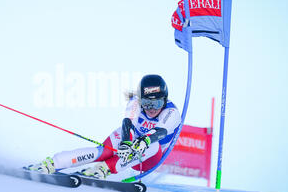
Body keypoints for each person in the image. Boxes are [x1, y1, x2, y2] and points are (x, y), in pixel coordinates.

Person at [27, 74, 182, 179]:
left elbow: (160, 131)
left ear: (165, 100)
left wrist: (144, 142)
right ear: (140, 99)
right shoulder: (135, 102)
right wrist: (126, 143)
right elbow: (128, 123)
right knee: (103, 151)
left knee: (152, 145)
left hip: (148, 158)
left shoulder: (171, 112)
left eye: (157, 103)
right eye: (147, 103)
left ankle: (103, 168)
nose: (152, 108)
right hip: (134, 142)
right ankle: (53, 163)